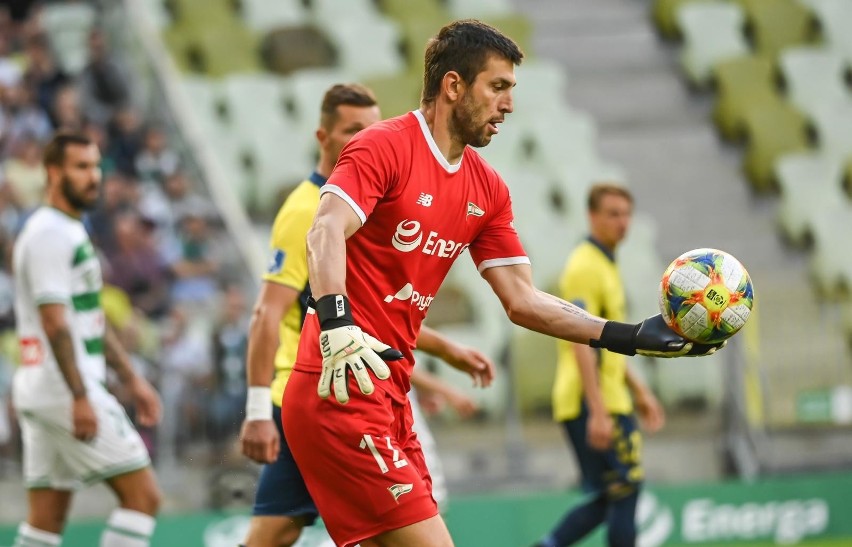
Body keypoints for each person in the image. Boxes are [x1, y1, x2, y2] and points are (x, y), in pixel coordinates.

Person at [281, 19, 721, 547]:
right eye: (498, 87)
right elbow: (325, 228)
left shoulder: (487, 190)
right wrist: (335, 321)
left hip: (390, 396)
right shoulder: (382, 147)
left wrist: (627, 336)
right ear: (453, 86)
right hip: (340, 386)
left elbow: (523, 300)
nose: (509, 105)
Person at [239, 83, 492, 547]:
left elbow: (377, 309)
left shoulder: (368, 200)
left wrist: (444, 355)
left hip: (356, 385)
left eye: (371, 128)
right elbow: (266, 314)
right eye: (351, 130)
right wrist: (257, 410)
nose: (364, 138)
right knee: (277, 531)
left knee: (305, 531)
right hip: (319, 388)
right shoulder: (306, 212)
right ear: (323, 137)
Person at [11, 132, 162, 547]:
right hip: (65, 387)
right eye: (81, 167)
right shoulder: (49, 234)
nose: (93, 177)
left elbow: (89, 318)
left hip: (44, 388)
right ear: (53, 173)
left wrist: (132, 378)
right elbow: (55, 322)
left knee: (45, 520)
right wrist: (79, 395)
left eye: (96, 166)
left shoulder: (66, 230)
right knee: (144, 497)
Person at [533, 184, 666, 547]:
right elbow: (581, 339)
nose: (622, 222)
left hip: (608, 397)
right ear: (591, 216)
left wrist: (640, 390)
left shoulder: (604, 263)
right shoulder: (585, 267)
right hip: (592, 400)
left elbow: (607, 343)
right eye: (613, 214)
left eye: (626, 214)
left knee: (612, 494)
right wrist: (598, 410)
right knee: (626, 489)